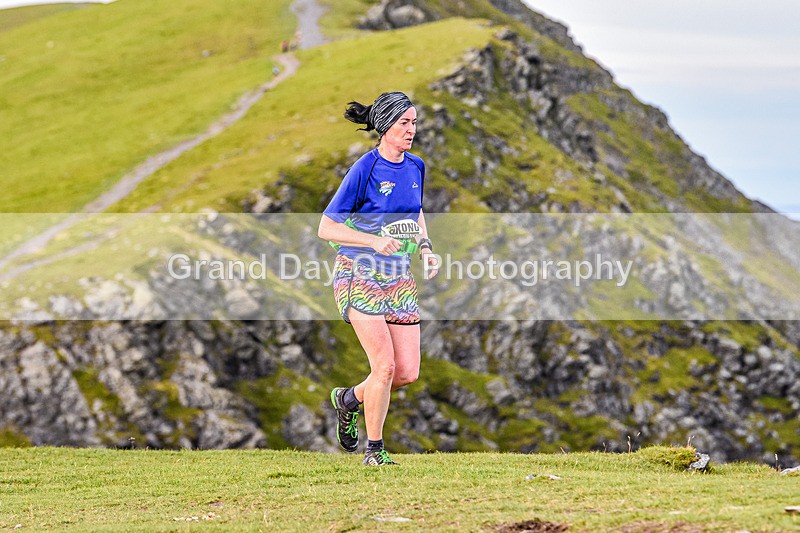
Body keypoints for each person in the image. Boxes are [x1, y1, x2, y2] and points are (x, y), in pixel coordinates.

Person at [318, 91, 438, 466]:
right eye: (404, 123)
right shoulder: (364, 169)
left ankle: (349, 399)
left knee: (406, 373)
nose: (411, 130)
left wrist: (425, 247)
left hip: (398, 274)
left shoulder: (416, 166)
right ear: (385, 126)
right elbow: (326, 227)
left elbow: (416, 211)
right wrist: (372, 241)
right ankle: (374, 451)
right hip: (358, 272)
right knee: (383, 367)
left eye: (414, 122)